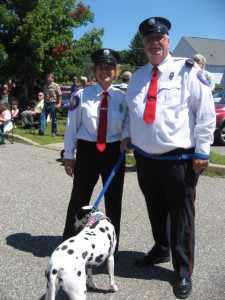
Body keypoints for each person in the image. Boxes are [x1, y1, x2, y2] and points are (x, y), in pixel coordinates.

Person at [121, 17, 216, 299]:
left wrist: (202, 150)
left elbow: (205, 113)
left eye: (158, 38)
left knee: (181, 217)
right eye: (148, 39)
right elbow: (130, 113)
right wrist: (127, 135)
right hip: (145, 160)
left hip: (179, 160)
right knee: (155, 210)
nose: (154, 43)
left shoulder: (187, 71)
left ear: (168, 40)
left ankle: (183, 270)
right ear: (143, 44)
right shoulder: (137, 77)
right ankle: (161, 249)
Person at [62, 48, 129, 255]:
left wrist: (126, 136)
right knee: (80, 197)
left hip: (113, 152)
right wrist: (68, 156)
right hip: (88, 151)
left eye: (109, 67)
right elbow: (72, 126)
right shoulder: (82, 95)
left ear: (115, 71)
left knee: (113, 200)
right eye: (100, 67)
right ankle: (69, 239)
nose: (104, 71)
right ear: (94, 70)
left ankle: (111, 245)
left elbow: (128, 121)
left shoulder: (121, 97)